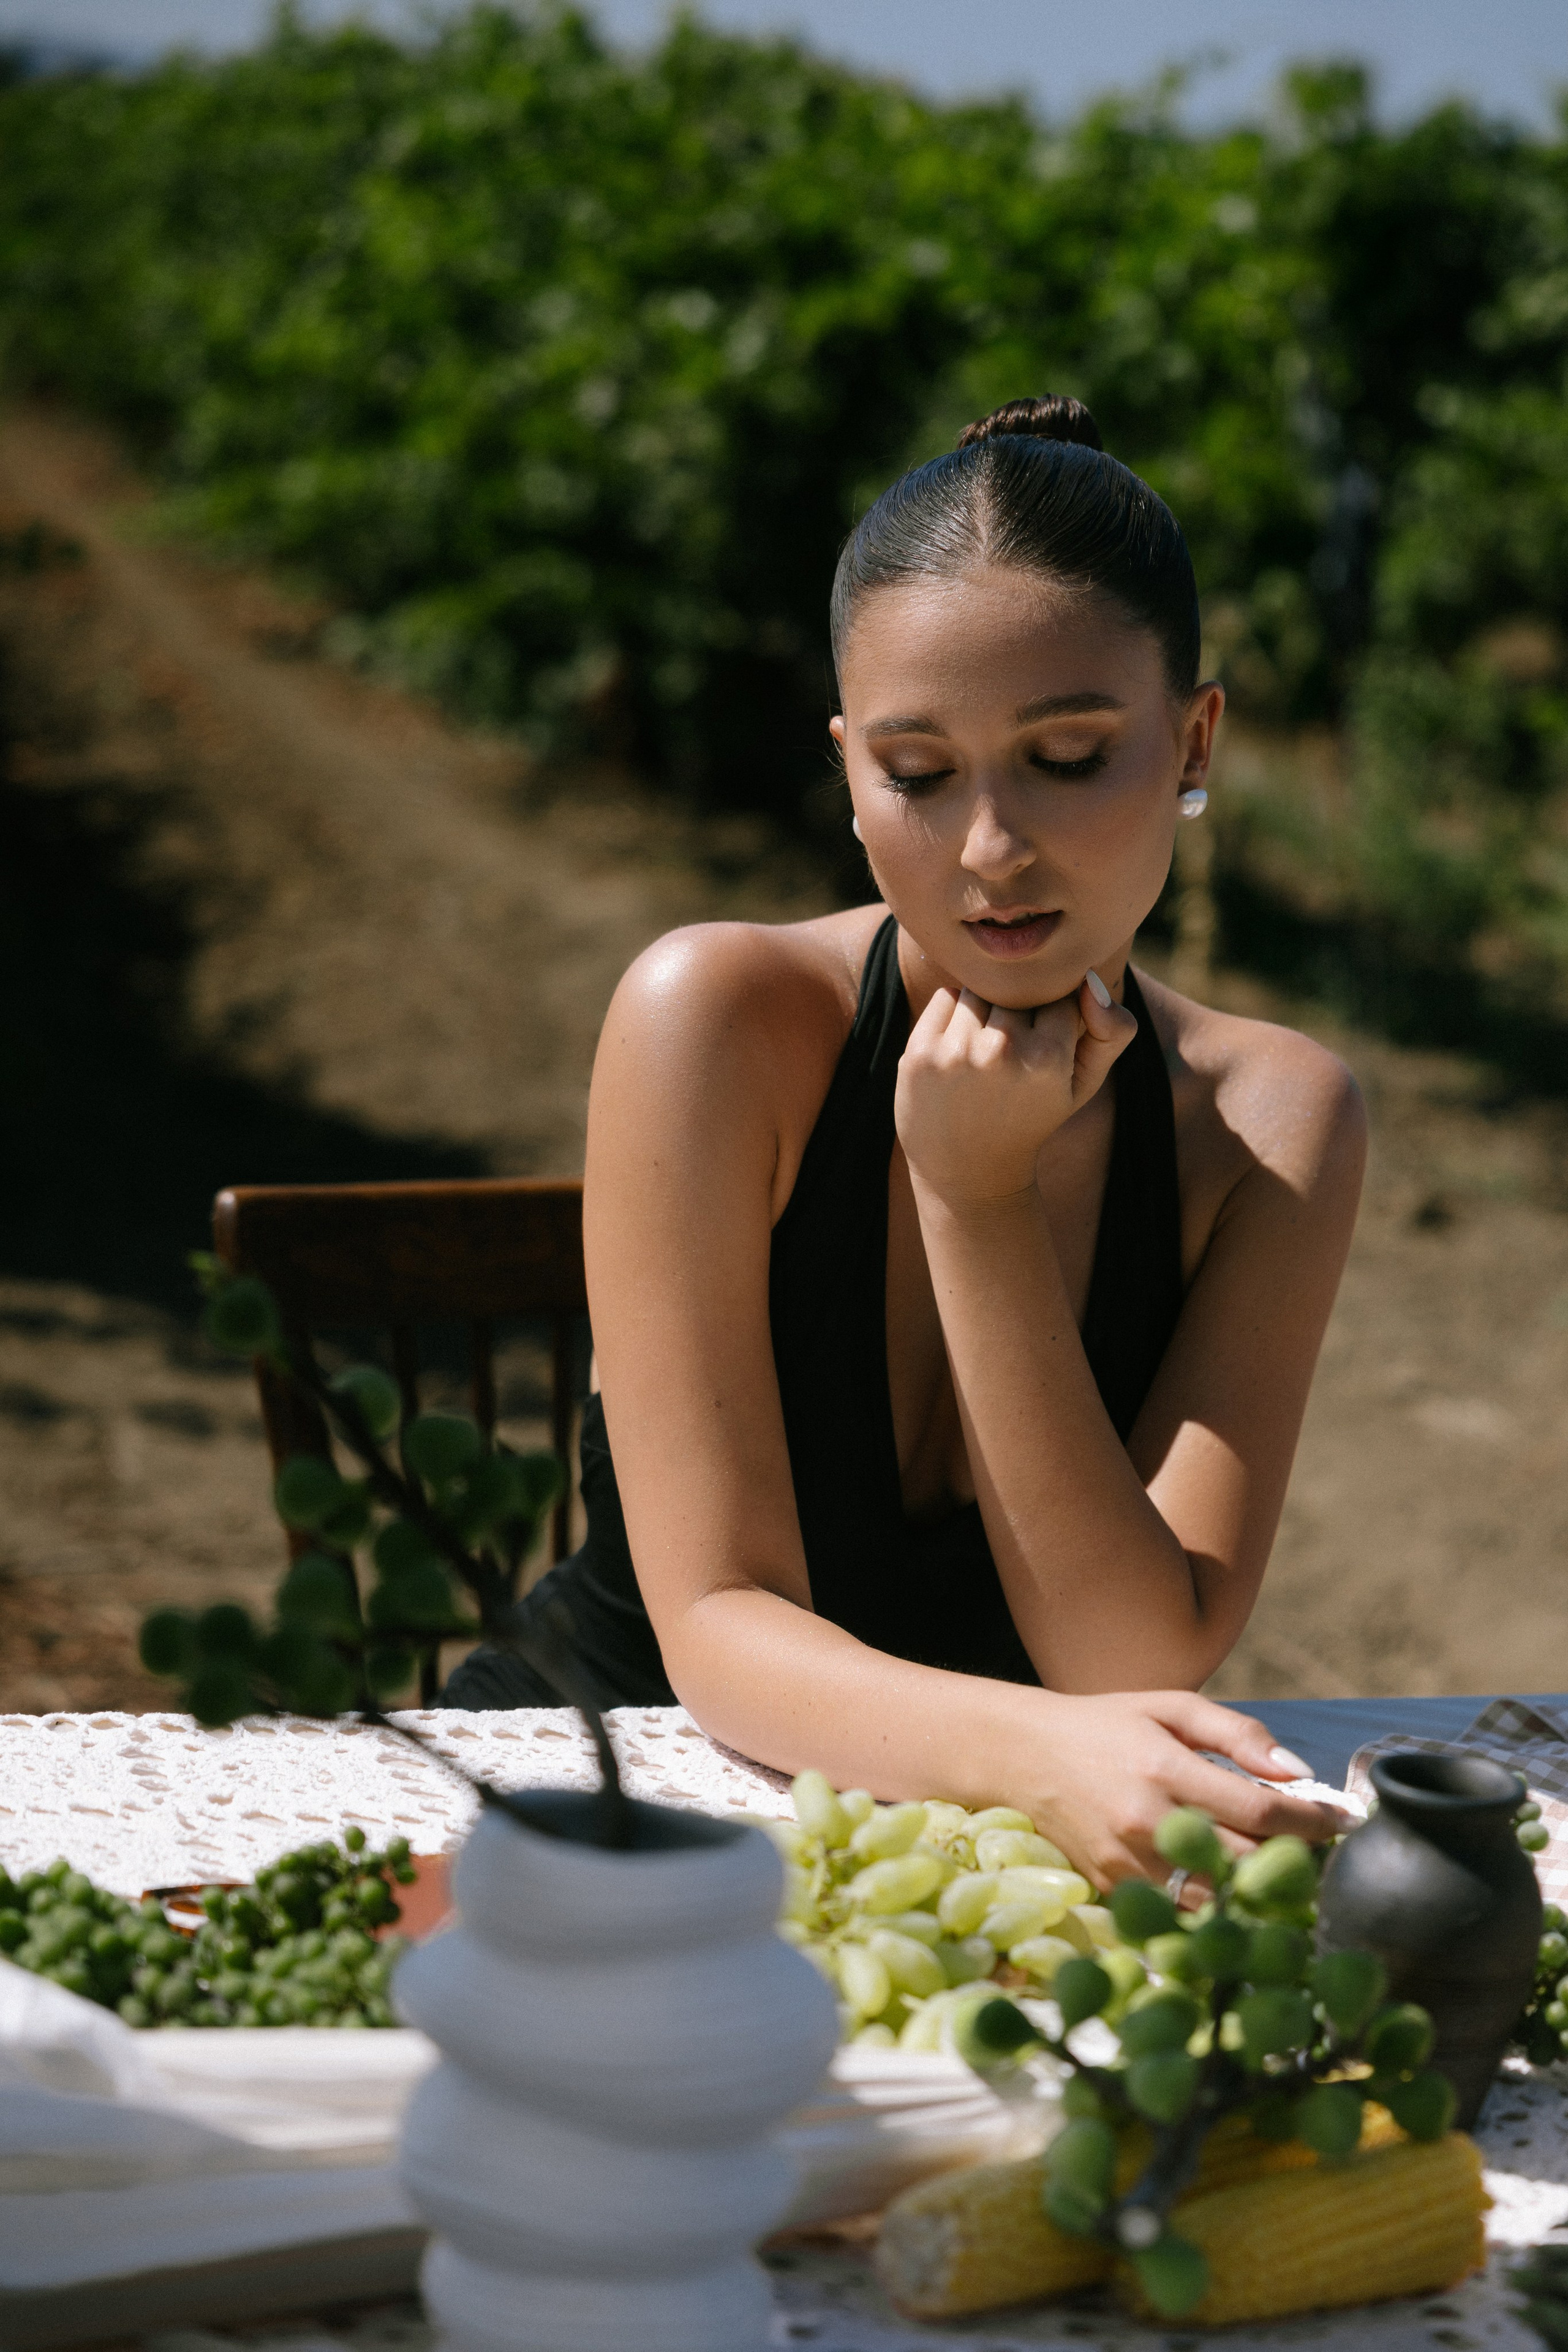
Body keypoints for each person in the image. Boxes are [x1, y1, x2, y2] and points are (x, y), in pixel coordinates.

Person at [444, 395, 1363, 1888]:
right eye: (919, 775)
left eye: (1067, 755)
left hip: (975, 1860)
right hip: (599, 1795)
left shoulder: (1269, 1124)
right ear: (849, 770)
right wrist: (1036, 1757)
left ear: (1193, 737)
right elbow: (716, 1624)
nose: (990, 849)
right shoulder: (712, 1021)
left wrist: (971, 1200)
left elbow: (1124, 1658)